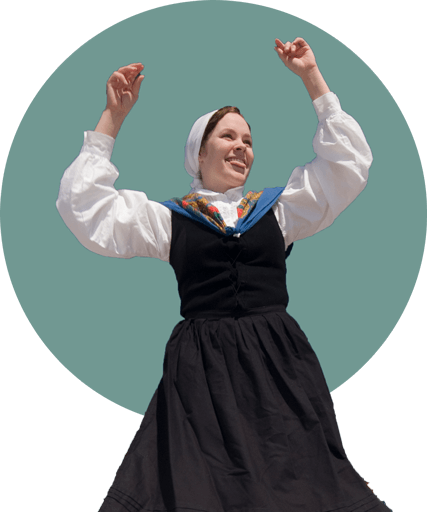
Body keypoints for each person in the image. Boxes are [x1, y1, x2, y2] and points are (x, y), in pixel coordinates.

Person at [56, 38, 392, 512]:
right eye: (228, 137)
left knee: (303, 481)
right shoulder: (170, 220)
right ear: (199, 152)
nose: (242, 147)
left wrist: (311, 78)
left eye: (249, 140)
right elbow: (84, 208)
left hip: (278, 363)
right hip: (201, 371)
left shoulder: (278, 212)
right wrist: (112, 119)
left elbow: (347, 167)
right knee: (196, 486)